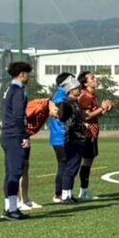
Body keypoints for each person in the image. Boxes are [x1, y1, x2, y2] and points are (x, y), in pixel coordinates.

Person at [0, 61, 32, 221]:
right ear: (22, 74)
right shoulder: (19, 91)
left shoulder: (8, 89)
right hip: (14, 135)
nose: (29, 77)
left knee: (10, 172)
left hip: (7, 134)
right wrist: (24, 136)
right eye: (28, 74)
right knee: (15, 172)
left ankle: (9, 206)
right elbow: (19, 115)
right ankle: (12, 209)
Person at [75, 71, 114, 200]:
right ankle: (82, 191)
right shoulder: (85, 96)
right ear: (85, 83)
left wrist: (105, 110)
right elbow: (86, 116)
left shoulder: (92, 95)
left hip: (92, 132)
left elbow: (94, 115)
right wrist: (101, 107)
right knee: (85, 161)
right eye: (92, 78)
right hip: (87, 133)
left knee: (88, 160)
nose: (96, 79)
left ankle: (83, 190)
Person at [50, 73, 87, 205]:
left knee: (70, 166)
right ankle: (61, 194)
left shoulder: (68, 98)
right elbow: (61, 115)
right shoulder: (62, 98)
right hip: (64, 136)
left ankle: (67, 193)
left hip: (68, 136)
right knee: (66, 166)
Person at [18, 94, 53, 211]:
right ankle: (18, 201)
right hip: (19, 137)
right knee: (19, 168)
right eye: (57, 114)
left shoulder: (47, 109)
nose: (56, 117)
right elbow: (21, 118)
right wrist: (24, 136)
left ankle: (26, 199)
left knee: (25, 167)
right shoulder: (39, 106)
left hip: (25, 137)